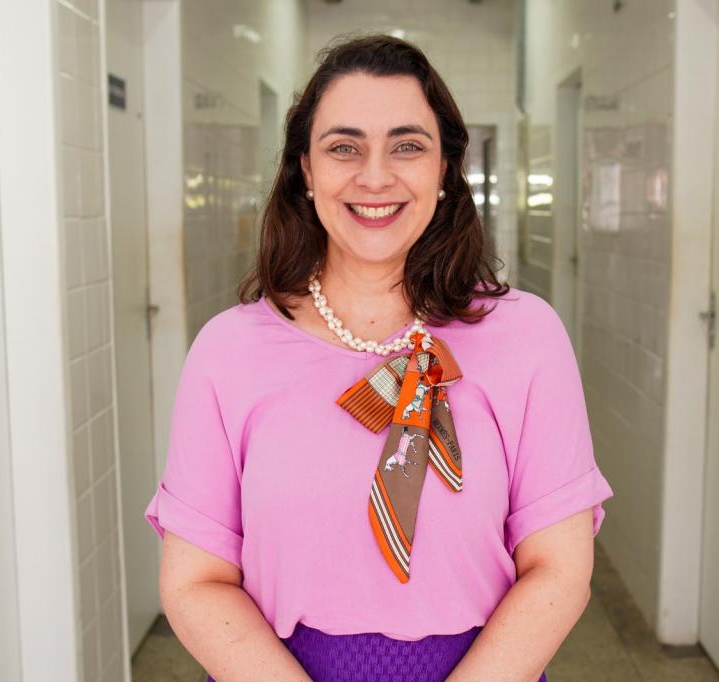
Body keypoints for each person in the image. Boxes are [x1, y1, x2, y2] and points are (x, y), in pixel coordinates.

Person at [144, 34, 614, 682]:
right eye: (344, 147)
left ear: (444, 168)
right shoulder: (228, 352)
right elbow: (195, 581)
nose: (374, 176)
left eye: (407, 145)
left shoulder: (528, 337)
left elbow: (559, 569)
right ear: (306, 170)